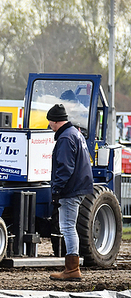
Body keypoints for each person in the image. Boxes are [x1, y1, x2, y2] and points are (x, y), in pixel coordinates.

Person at [47, 104, 93, 281]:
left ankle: (72, 269)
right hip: (80, 186)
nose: (50, 125)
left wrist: (56, 189)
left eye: (50, 121)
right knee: (69, 226)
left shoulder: (65, 138)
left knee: (67, 226)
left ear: (55, 121)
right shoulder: (76, 133)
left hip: (71, 189)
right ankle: (72, 267)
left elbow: (65, 168)